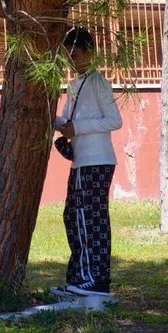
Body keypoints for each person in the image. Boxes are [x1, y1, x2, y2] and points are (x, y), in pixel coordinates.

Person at [53, 26, 122, 297]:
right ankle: (79, 277)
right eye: (67, 55)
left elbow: (115, 121)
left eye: (75, 54)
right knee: (73, 218)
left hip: (97, 161)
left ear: (89, 52)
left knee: (92, 221)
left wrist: (78, 128)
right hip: (80, 163)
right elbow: (67, 122)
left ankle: (96, 281)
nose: (71, 60)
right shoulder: (74, 85)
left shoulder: (98, 82)